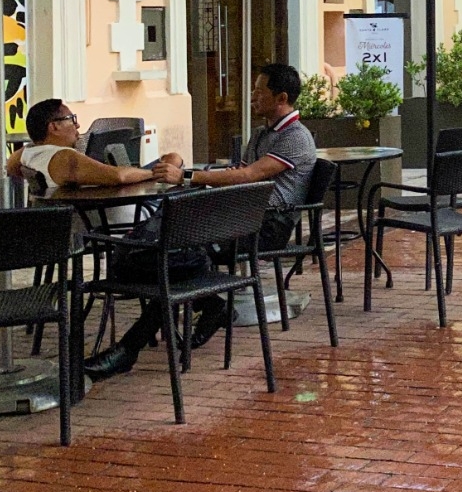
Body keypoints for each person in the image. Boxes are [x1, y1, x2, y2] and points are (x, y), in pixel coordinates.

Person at [82, 64, 318, 381]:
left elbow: (249, 177)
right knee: (170, 250)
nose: (252, 97)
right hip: (236, 218)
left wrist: (189, 177)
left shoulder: (296, 138)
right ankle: (192, 310)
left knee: (171, 255)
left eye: (259, 92)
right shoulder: (262, 134)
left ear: (282, 98)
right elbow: (238, 172)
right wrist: (197, 174)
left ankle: (133, 343)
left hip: (265, 227)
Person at [9, 99, 184, 194]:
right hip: (100, 219)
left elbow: (10, 166)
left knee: (172, 159)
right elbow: (119, 177)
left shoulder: (28, 152)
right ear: (54, 127)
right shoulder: (63, 158)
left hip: (80, 212)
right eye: (72, 119)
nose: (77, 126)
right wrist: (156, 174)